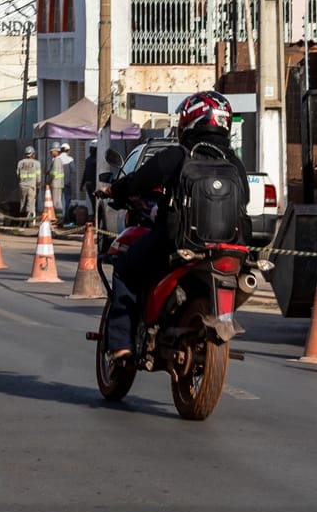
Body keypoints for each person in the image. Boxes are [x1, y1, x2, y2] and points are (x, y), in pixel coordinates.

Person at [95, 91, 246, 362]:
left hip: (177, 242)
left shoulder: (179, 155)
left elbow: (138, 181)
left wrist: (114, 190)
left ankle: (120, 342)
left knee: (126, 269)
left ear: (189, 122)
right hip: (228, 248)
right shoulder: (235, 164)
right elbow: (244, 201)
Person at [16, 145, 43, 220]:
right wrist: (38, 185)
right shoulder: (36, 163)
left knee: (23, 202)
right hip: (31, 186)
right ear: (32, 154)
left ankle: (21, 218)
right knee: (30, 203)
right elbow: (38, 176)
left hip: (22, 186)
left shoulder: (20, 163)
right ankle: (29, 221)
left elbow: (18, 174)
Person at [51, 143, 74, 219]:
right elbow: (73, 170)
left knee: (58, 201)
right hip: (67, 183)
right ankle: (66, 216)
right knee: (67, 200)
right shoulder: (70, 159)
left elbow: (52, 171)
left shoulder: (56, 159)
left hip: (57, 183)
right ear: (68, 150)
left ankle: (58, 217)